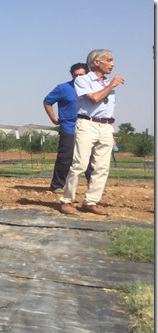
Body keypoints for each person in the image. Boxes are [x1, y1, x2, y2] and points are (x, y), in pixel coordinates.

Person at [59, 49, 125, 216]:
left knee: (102, 167)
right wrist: (112, 86)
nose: (112, 64)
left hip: (106, 126)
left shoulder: (106, 82)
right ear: (97, 62)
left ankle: (91, 202)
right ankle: (66, 201)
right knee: (80, 164)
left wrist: (111, 131)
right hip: (87, 124)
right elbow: (94, 98)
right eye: (109, 60)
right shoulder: (83, 80)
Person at [44, 63, 93, 193]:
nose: (78, 77)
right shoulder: (63, 88)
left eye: (81, 75)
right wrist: (54, 119)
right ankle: (57, 185)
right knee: (66, 157)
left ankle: (94, 187)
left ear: (87, 75)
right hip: (69, 128)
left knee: (90, 158)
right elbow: (47, 101)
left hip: (88, 128)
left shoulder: (93, 88)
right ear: (71, 75)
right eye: (75, 75)